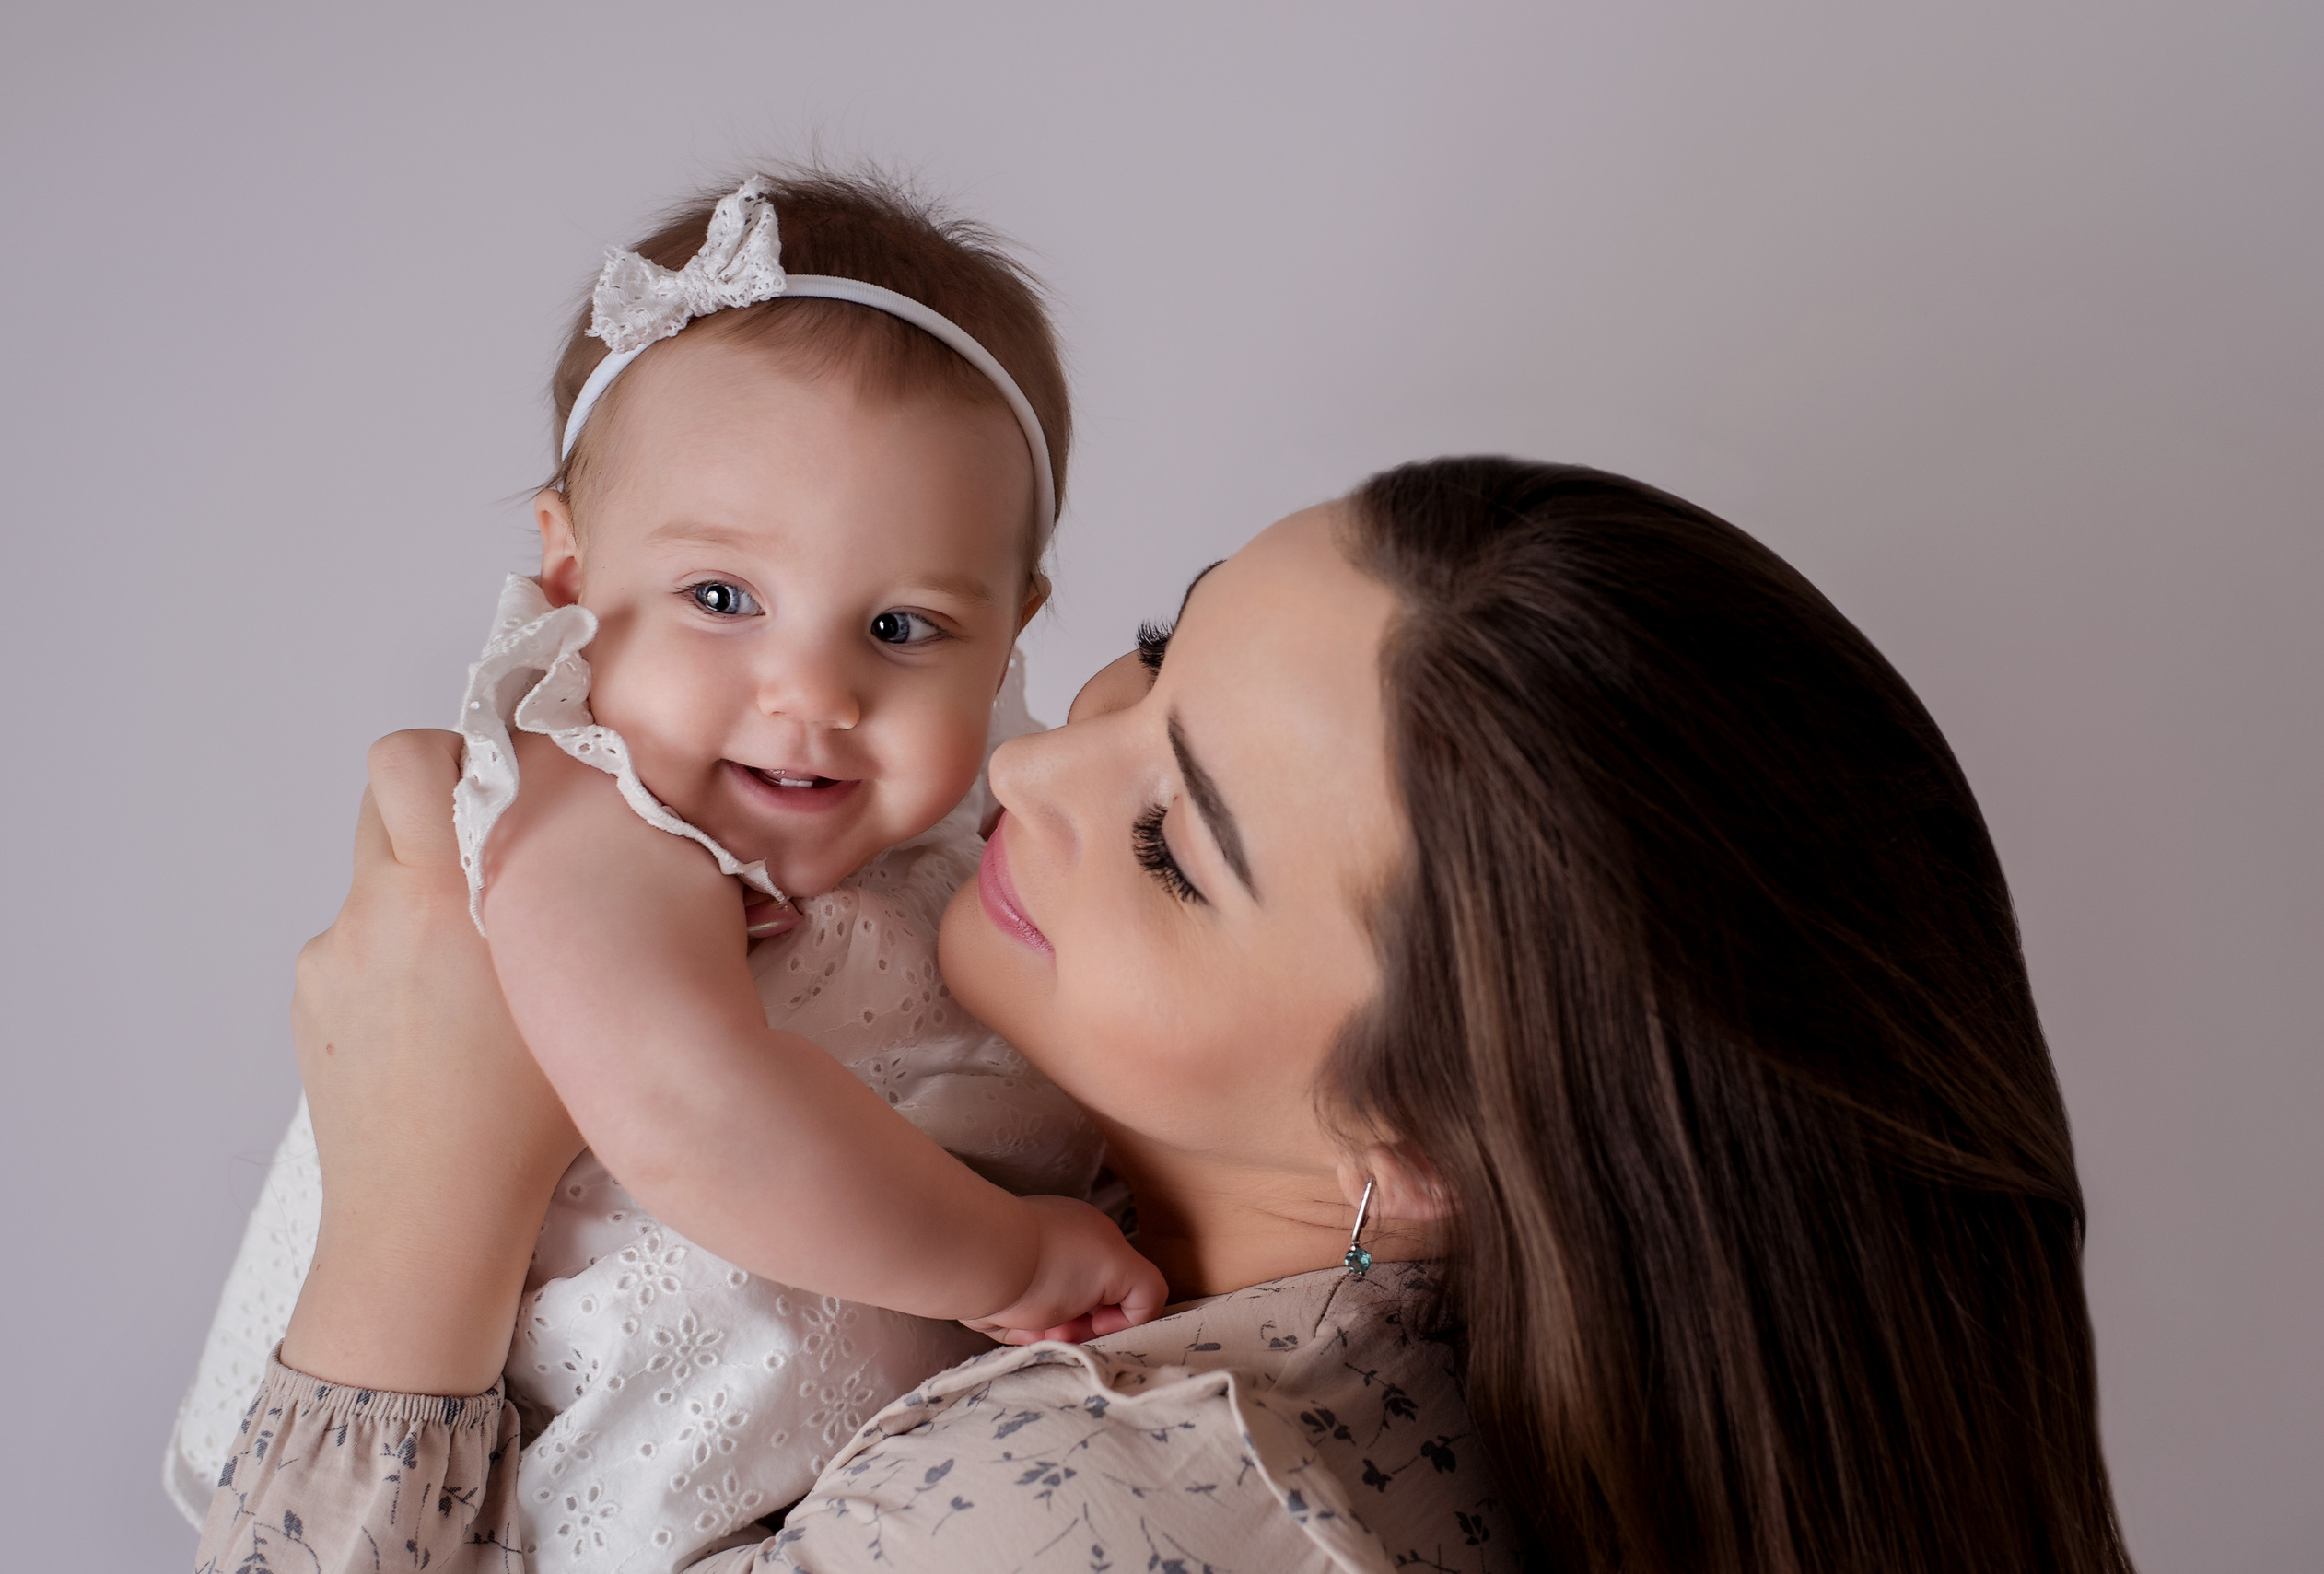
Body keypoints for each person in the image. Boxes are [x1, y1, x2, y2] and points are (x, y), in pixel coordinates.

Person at [193, 459, 2138, 1573]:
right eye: (1148, 651)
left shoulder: (1093, 1521)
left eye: (1174, 849)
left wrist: (415, 1205)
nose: (1035, 771)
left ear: (1422, 1148)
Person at [169, 170, 1165, 1569]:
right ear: (570, 579)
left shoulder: (989, 819)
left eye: (900, 623)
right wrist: (1013, 1260)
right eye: (721, 598)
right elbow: (687, 1108)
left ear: (1011, 634)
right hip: (551, 1468)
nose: (809, 690)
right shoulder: (593, 793)